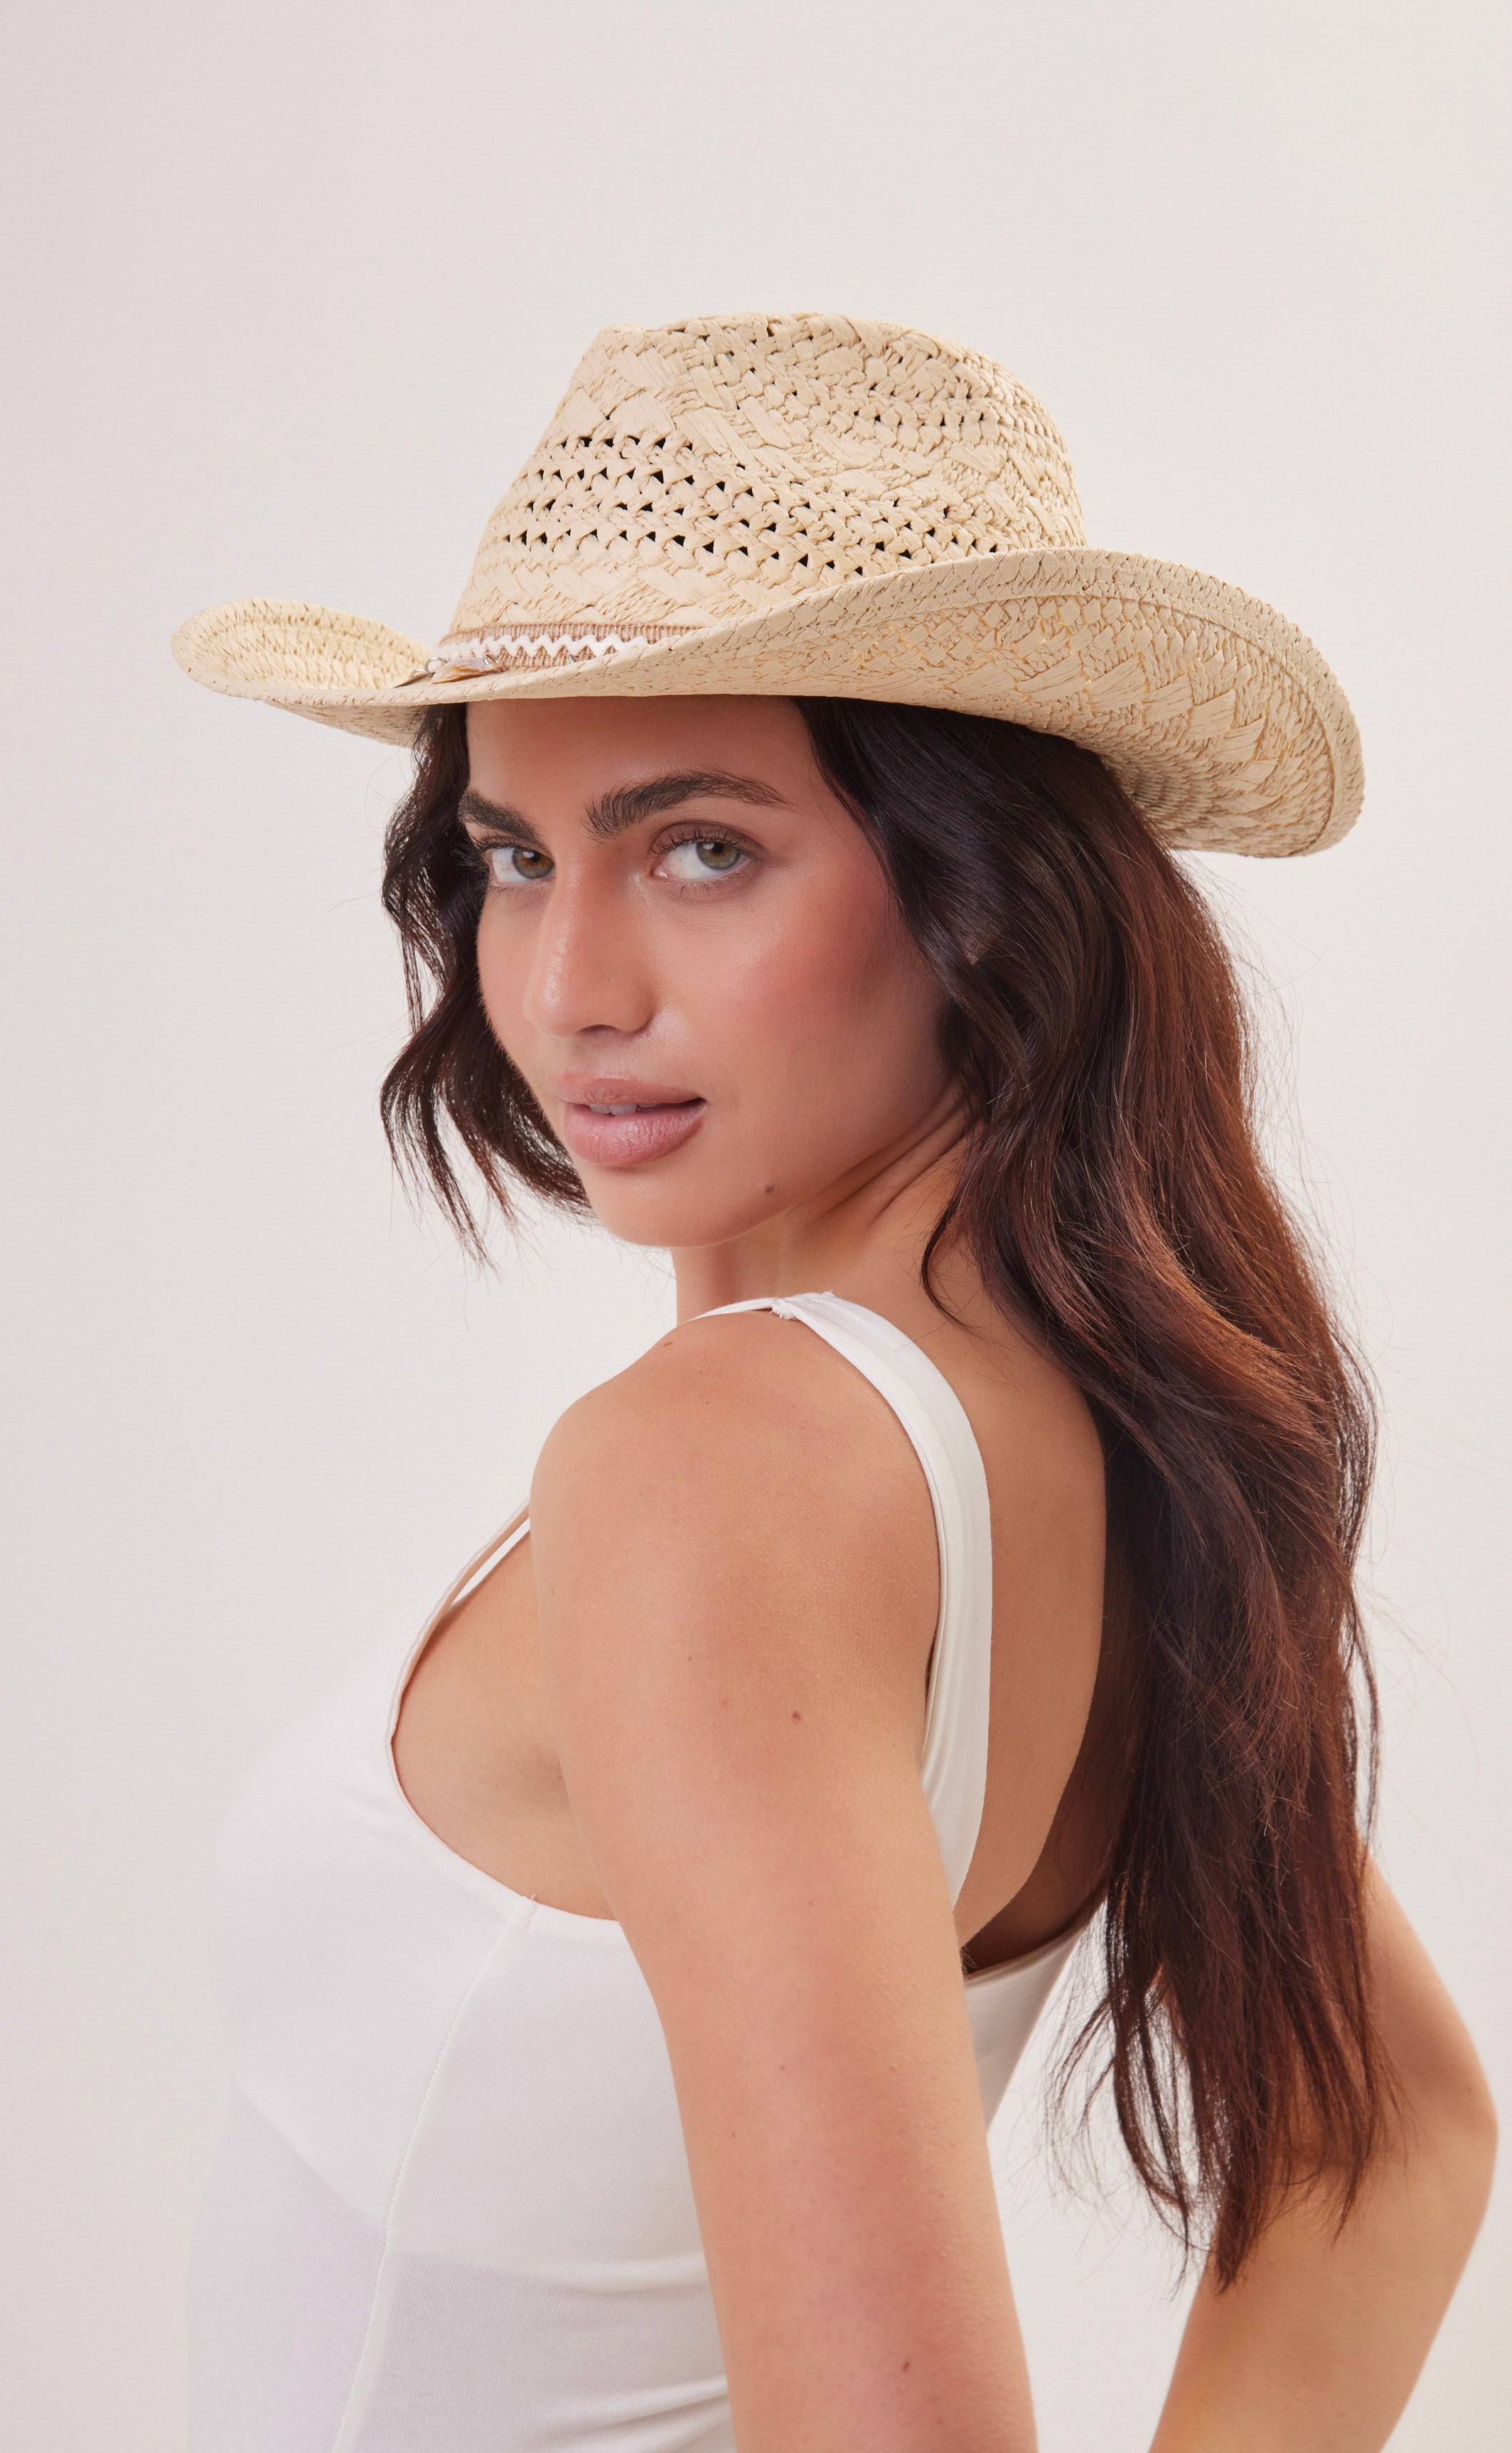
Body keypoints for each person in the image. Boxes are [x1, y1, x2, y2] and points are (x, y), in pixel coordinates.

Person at [173, 315, 1494, 2453]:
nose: (568, 984)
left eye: (700, 847)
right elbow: (1397, 2134)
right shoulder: (1083, 1434)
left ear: (981, 888)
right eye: (516, 853)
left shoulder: (723, 1470)